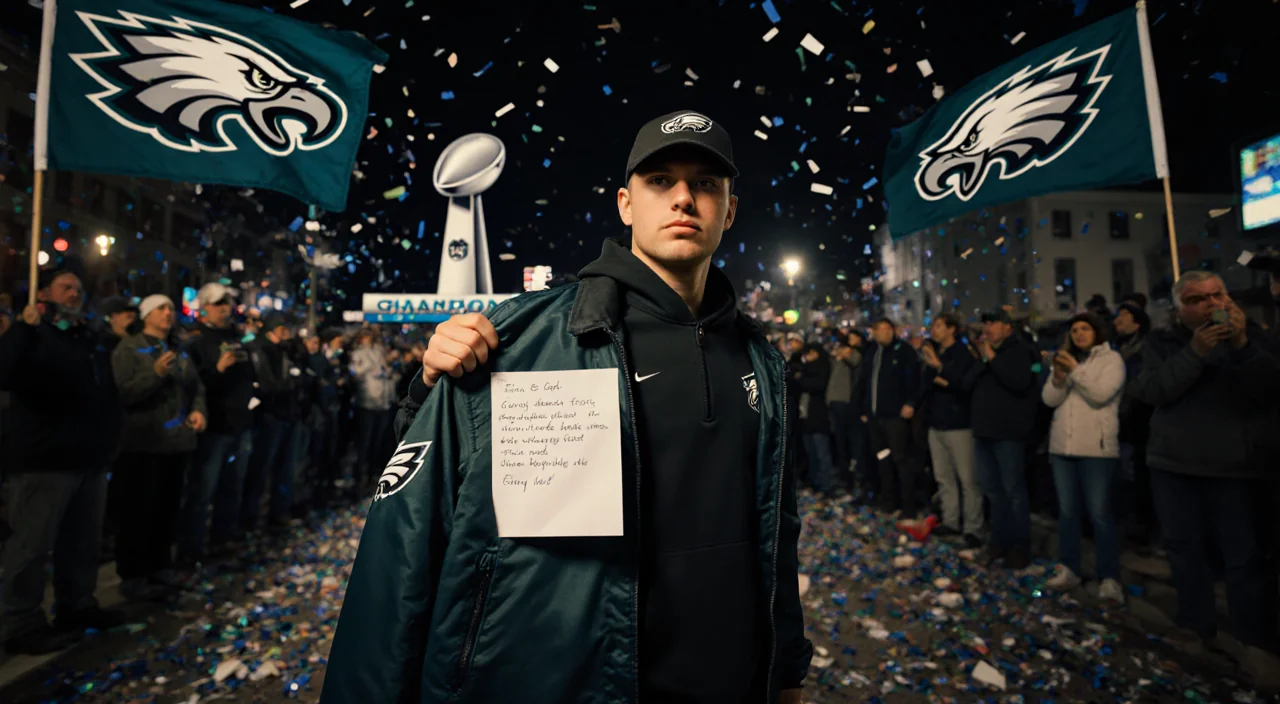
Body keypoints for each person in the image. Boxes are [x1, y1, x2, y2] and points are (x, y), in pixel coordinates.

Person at [323, 110, 811, 704]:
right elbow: (412, 526)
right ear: (626, 205)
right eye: (661, 181)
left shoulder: (763, 361)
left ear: (729, 211)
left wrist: (785, 671)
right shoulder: (525, 336)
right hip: (571, 679)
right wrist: (427, 392)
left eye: (706, 184)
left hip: (726, 681)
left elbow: (774, 532)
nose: (684, 197)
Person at [1133, 271, 1280, 685]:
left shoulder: (1252, 335)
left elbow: (1268, 388)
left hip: (1235, 467)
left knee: (1243, 560)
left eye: (1218, 295)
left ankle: (1255, 642)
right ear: (1181, 309)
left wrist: (1240, 345)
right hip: (1175, 466)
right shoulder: (1163, 342)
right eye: (1198, 299)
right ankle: (1196, 627)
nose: (1211, 303)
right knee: (1185, 552)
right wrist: (1195, 351)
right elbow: (1154, 391)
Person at [0, 267, 126, 654]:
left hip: (87, 457)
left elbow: (106, 392)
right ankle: (20, 621)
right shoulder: (33, 335)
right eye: (65, 287)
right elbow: (5, 371)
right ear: (46, 294)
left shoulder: (89, 339)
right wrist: (24, 325)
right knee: (31, 545)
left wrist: (108, 441)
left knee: (81, 542)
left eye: (78, 288)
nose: (74, 293)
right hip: (44, 459)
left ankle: (77, 605)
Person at [111, 294, 207, 598]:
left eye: (170, 309)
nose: (167, 314)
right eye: (160, 309)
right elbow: (123, 392)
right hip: (143, 443)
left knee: (167, 508)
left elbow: (196, 386)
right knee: (139, 511)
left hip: (176, 444)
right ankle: (134, 574)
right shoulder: (128, 348)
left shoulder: (179, 350)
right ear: (146, 315)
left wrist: (199, 410)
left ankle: (160, 565)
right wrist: (155, 375)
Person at [1040, 313, 1126, 602]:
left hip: (1096, 450)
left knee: (1100, 513)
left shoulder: (1111, 360)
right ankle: (1069, 568)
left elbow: (1101, 394)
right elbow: (1049, 400)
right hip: (1063, 447)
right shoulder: (1067, 361)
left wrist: (1075, 370)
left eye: (1085, 329)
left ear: (1097, 332)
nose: (1079, 334)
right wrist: (1058, 377)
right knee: (1067, 513)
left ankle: (1109, 576)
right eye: (1075, 330)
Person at [179, 283, 254, 563]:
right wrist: (217, 370)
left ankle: (222, 539)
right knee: (202, 491)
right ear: (206, 307)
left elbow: (249, 374)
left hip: (240, 423)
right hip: (213, 426)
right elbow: (192, 384)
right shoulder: (196, 341)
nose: (225, 309)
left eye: (227, 304)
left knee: (231, 488)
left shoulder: (237, 336)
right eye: (218, 304)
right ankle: (192, 548)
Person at [964, 309, 1039, 569]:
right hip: (984, 432)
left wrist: (993, 359)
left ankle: (1020, 546)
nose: (987, 328)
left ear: (1008, 327)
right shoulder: (987, 354)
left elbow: (1019, 382)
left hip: (1009, 433)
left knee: (1013, 492)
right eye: (985, 323)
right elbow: (967, 383)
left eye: (993, 322)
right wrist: (983, 360)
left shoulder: (1022, 350)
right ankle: (998, 542)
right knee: (993, 493)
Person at [920, 314, 981, 547]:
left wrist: (939, 369)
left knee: (967, 479)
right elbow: (928, 383)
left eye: (938, 325)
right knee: (944, 477)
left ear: (951, 329)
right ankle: (951, 520)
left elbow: (963, 384)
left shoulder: (963, 353)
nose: (933, 330)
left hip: (959, 424)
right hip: (937, 422)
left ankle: (973, 528)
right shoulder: (937, 353)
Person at [241, 313, 300, 533]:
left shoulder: (286, 350)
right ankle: (250, 516)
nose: (287, 334)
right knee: (261, 468)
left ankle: (278, 512)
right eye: (282, 330)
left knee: (285, 467)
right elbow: (269, 384)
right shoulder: (260, 349)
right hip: (271, 415)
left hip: (287, 414)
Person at [858, 318, 922, 515]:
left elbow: (915, 379)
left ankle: (908, 505)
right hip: (875, 417)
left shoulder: (903, 351)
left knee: (900, 459)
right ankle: (888, 501)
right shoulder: (872, 353)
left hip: (895, 416)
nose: (883, 334)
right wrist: (865, 409)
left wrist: (910, 403)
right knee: (882, 459)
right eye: (879, 330)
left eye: (887, 330)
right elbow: (865, 382)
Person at [1113, 301, 1156, 546]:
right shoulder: (1116, 347)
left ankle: (1141, 529)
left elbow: (1137, 388)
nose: (1117, 320)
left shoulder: (1144, 349)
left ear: (1137, 322)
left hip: (1135, 422)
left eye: (1124, 315)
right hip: (1120, 422)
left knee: (1134, 477)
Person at [349, 329, 399, 488]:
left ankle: (371, 475)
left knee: (377, 441)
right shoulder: (357, 354)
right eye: (367, 337)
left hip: (383, 402)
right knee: (365, 441)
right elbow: (354, 372)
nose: (370, 340)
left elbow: (386, 370)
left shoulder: (379, 351)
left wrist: (387, 370)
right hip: (367, 402)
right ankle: (359, 476)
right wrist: (370, 367)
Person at [795, 342, 834, 494]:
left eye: (809, 354)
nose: (807, 358)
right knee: (811, 453)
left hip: (818, 417)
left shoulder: (822, 367)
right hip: (806, 417)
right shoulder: (806, 370)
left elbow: (818, 385)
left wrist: (801, 380)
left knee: (821, 453)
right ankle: (816, 482)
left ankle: (825, 485)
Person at [826, 342, 860, 489]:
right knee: (838, 442)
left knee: (846, 443)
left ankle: (851, 480)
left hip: (844, 404)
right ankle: (843, 475)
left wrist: (845, 354)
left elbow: (855, 360)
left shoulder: (853, 357)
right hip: (834, 404)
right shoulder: (836, 362)